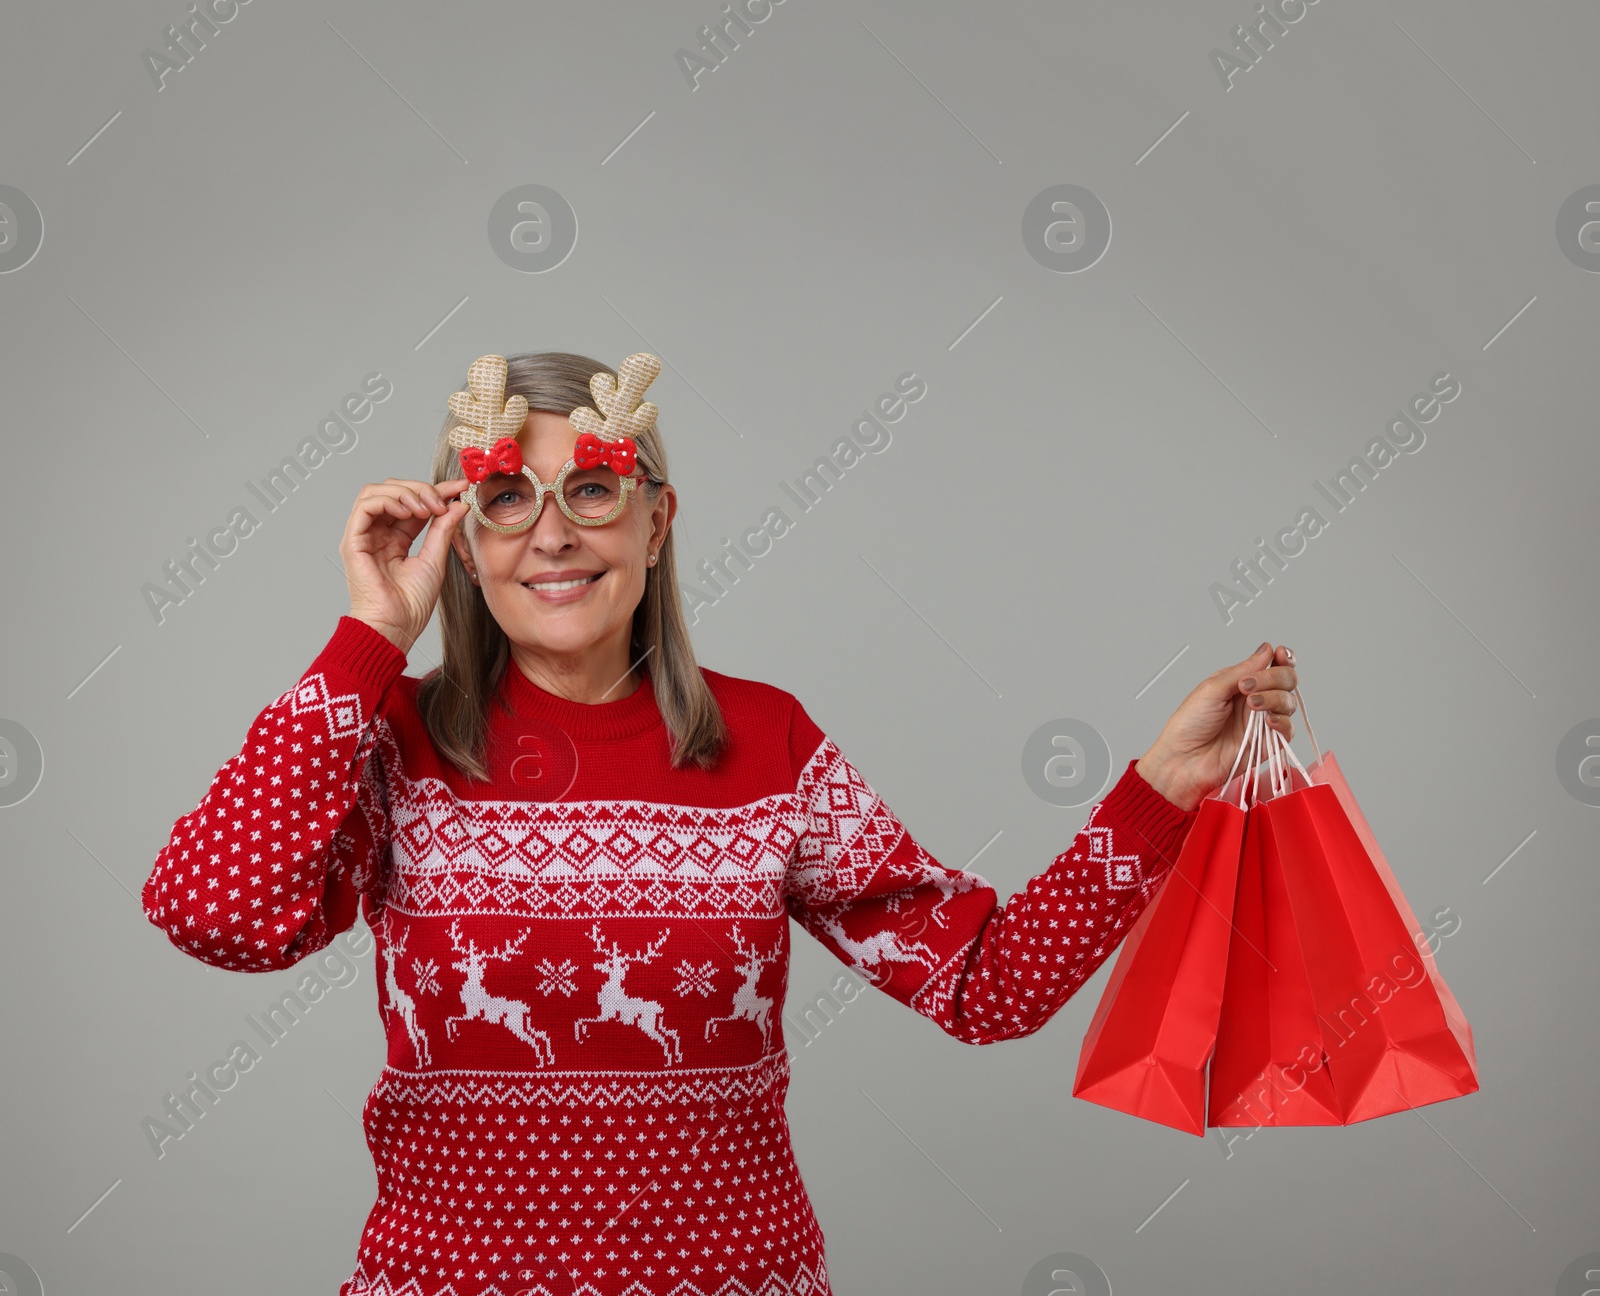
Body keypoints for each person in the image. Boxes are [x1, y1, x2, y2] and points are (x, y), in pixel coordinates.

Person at [142, 350, 1299, 1296]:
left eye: (591, 490)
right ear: (462, 537)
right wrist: (370, 636)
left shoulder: (766, 743)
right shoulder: (390, 737)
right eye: (505, 498)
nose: (551, 534)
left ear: (656, 522)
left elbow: (985, 986)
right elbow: (213, 911)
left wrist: (1163, 783)